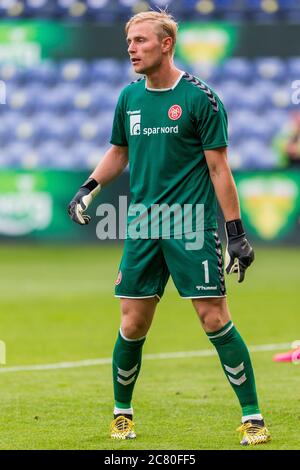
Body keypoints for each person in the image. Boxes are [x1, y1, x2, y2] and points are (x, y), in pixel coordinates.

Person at [68, 10, 270, 446]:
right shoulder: (129, 97)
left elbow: (219, 170)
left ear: (165, 44)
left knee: (213, 317)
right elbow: (119, 152)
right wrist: (89, 187)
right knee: (132, 323)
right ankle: (122, 414)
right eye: (129, 42)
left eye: (140, 41)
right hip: (142, 224)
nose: (131, 49)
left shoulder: (201, 99)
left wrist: (235, 233)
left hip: (191, 224)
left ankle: (252, 417)